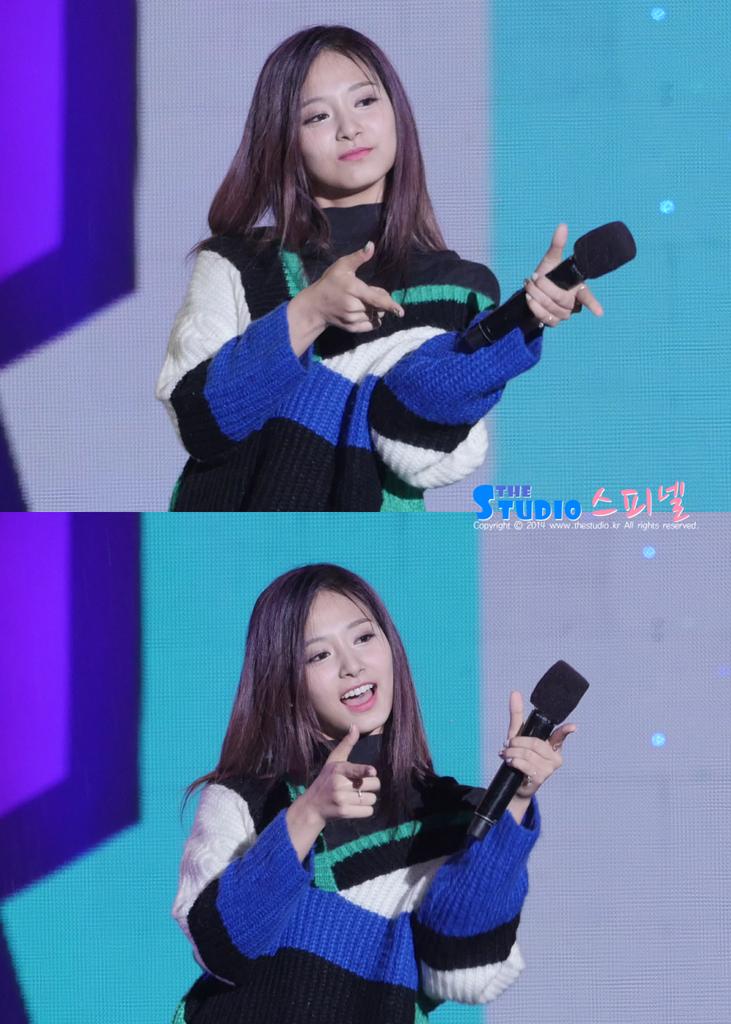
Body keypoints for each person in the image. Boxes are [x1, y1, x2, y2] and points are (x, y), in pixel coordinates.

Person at [156, 25, 602, 512]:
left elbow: (413, 453)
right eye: (318, 116)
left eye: (365, 101)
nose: (349, 128)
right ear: (284, 138)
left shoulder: (459, 289)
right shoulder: (238, 262)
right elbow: (199, 425)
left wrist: (523, 320)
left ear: (397, 114)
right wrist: (309, 312)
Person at [170, 563, 576, 1023]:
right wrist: (307, 815)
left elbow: (462, 975)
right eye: (319, 656)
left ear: (391, 648)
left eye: (363, 637)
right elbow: (220, 951)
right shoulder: (245, 800)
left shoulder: (449, 815)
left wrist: (515, 801)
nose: (352, 666)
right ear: (283, 682)